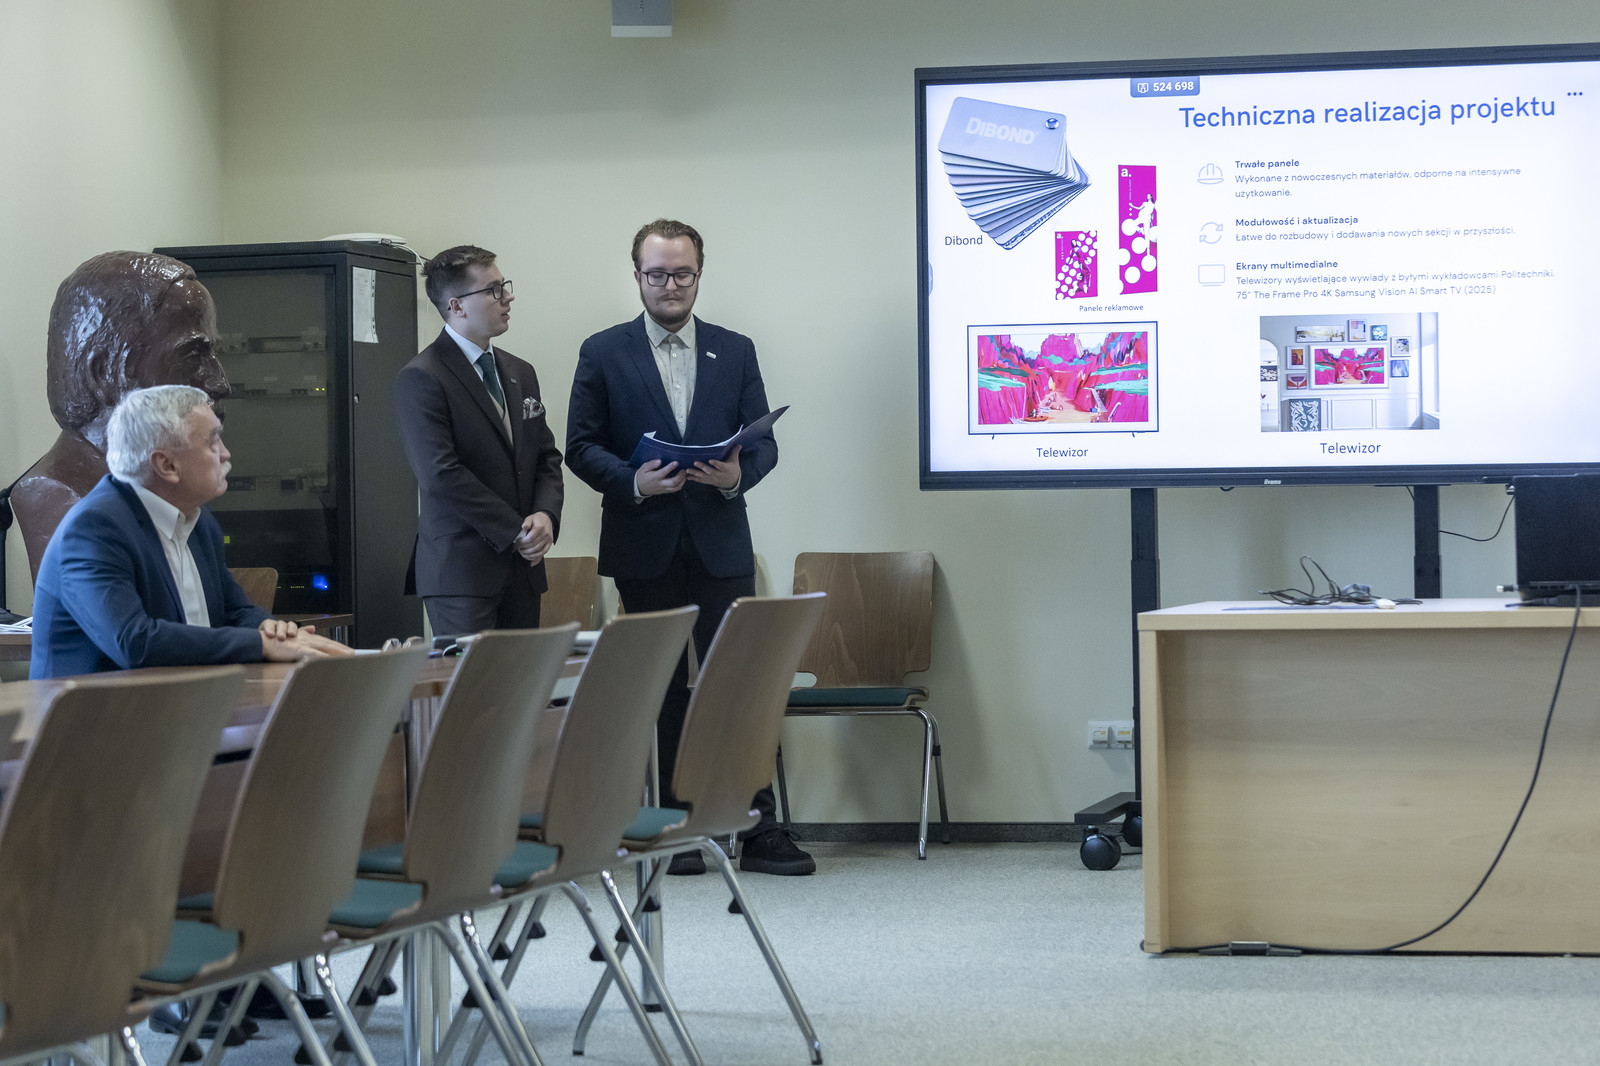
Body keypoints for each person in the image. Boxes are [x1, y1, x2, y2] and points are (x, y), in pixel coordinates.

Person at [566, 219, 812, 876]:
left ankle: (757, 827)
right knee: (666, 686)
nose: (670, 285)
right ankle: (676, 827)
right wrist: (633, 481)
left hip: (720, 542)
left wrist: (736, 476)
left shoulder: (735, 349)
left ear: (699, 274)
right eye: (657, 274)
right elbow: (581, 446)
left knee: (741, 684)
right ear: (637, 276)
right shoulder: (603, 351)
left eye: (682, 273)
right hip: (643, 544)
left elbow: (763, 443)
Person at [30, 385, 348, 679]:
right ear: (167, 465)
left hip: (185, 702)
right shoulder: (94, 529)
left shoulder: (197, 519)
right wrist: (261, 644)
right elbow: (134, 642)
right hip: (95, 716)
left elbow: (235, 611)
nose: (226, 453)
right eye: (212, 441)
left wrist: (272, 630)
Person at [7, 251, 231, 581]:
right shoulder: (67, 499)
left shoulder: (165, 490)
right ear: (104, 373)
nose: (220, 383)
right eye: (192, 355)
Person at [394, 245, 563, 636]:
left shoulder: (521, 371)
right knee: (472, 678)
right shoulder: (422, 377)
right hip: (462, 574)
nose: (508, 296)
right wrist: (516, 530)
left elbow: (546, 457)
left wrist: (545, 516)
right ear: (456, 306)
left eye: (504, 285)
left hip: (524, 568)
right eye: (493, 290)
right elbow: (440, 474)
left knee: (524, 676)